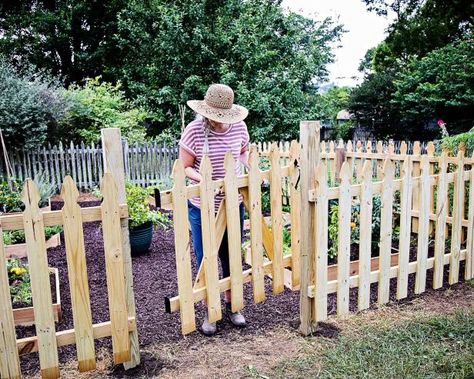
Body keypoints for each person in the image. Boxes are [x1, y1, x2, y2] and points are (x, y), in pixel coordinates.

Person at [179, 83, 250, 335]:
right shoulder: (194, 131)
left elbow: (243, 153)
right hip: (203, 207)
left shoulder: (240, 127)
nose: (218, 122)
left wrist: (247, 171)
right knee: (206, 258)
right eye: (214, 117)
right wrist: (203, 180)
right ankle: (211, 311)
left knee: (231, 256)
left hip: (233, 203)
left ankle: (233, 307)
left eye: (222, 118)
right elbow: (185, 167)